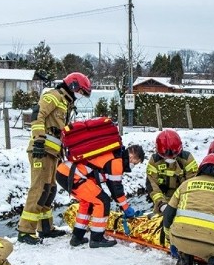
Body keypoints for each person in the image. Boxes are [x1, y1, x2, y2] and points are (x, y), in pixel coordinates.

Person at [18, 72, 91, 245]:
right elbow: (38, 115)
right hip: (41, 150)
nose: (80, 95)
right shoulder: (54, 96)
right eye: (81, 91)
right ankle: (25, 231)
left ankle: (45, 228)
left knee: (49, 190)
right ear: (73, 86)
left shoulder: (66, 103)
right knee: (38, 189)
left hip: (52, 153)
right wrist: (38, 140)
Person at [56, 144, 145, 248]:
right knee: (102, 201)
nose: (134, 166)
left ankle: (77, 237)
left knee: (88, 203)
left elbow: (112, 186)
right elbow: (117, 191)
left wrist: (123, 205)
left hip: (65, 171)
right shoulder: (117, 161)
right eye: (136, 163)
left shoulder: (115, 156)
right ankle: (96, 239)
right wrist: (126, 208)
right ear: (132, 156)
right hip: (73, 174)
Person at [145, 128, 198, 214]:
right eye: (166, 156)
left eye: (173, 156)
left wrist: (185, 203)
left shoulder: (187, 159)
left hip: (183, 198)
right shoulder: (154, 161)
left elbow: (193, 184)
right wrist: (161, 204)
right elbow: (152, 185)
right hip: (163, 199)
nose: (169, 158)